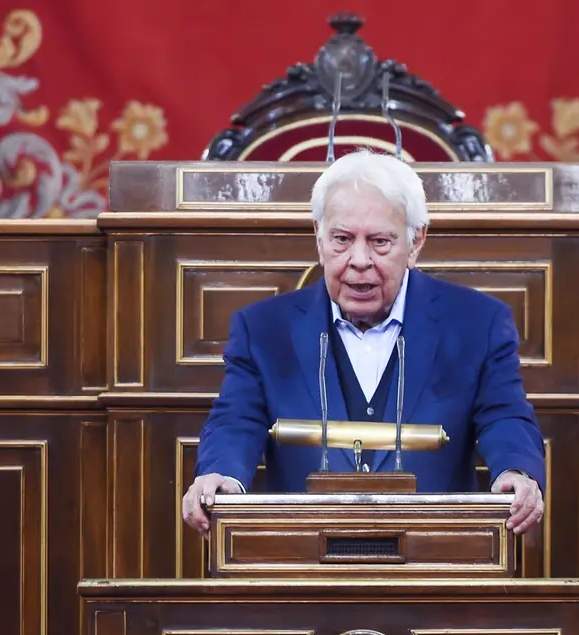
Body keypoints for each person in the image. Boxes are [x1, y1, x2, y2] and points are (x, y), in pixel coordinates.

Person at [182, 150, 546, 535]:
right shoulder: (263, 328)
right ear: (318, 237)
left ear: (416, 241)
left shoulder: (478, 323)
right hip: (302, 558)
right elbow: (236, 420)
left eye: (380, 242)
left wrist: (516, 472)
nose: (359, 259)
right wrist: (221, 476)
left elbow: (504, 415)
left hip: (434, 556)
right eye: (342, 239)